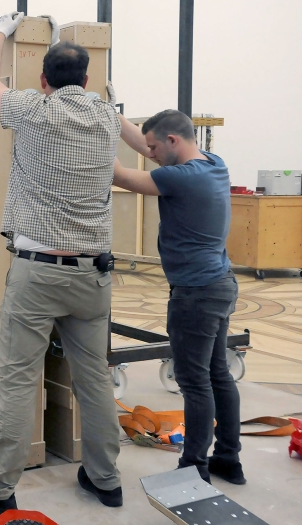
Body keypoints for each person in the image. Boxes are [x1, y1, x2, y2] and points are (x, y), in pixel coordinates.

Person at [0, 12, 124, 521]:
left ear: (43, 81)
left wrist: (0, 34)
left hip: (38, 270)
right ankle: (106, 479)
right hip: (93, 273)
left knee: (17, 378)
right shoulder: (107, 117)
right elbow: (141, 139)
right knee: (94, 378)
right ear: (90, 81)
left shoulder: (33, 109)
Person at [113, 109, 244, 485]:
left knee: (194, 381)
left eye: (154, 147)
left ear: (172, 142)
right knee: (217, 374)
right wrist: (112, 114)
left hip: (195, 295)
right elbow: (146, 141)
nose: (149, 152)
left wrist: (92, 129)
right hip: (220, 284)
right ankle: (228, 461)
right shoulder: (213, 165)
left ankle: (194, 468)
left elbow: (119, 175)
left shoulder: (178, 178)